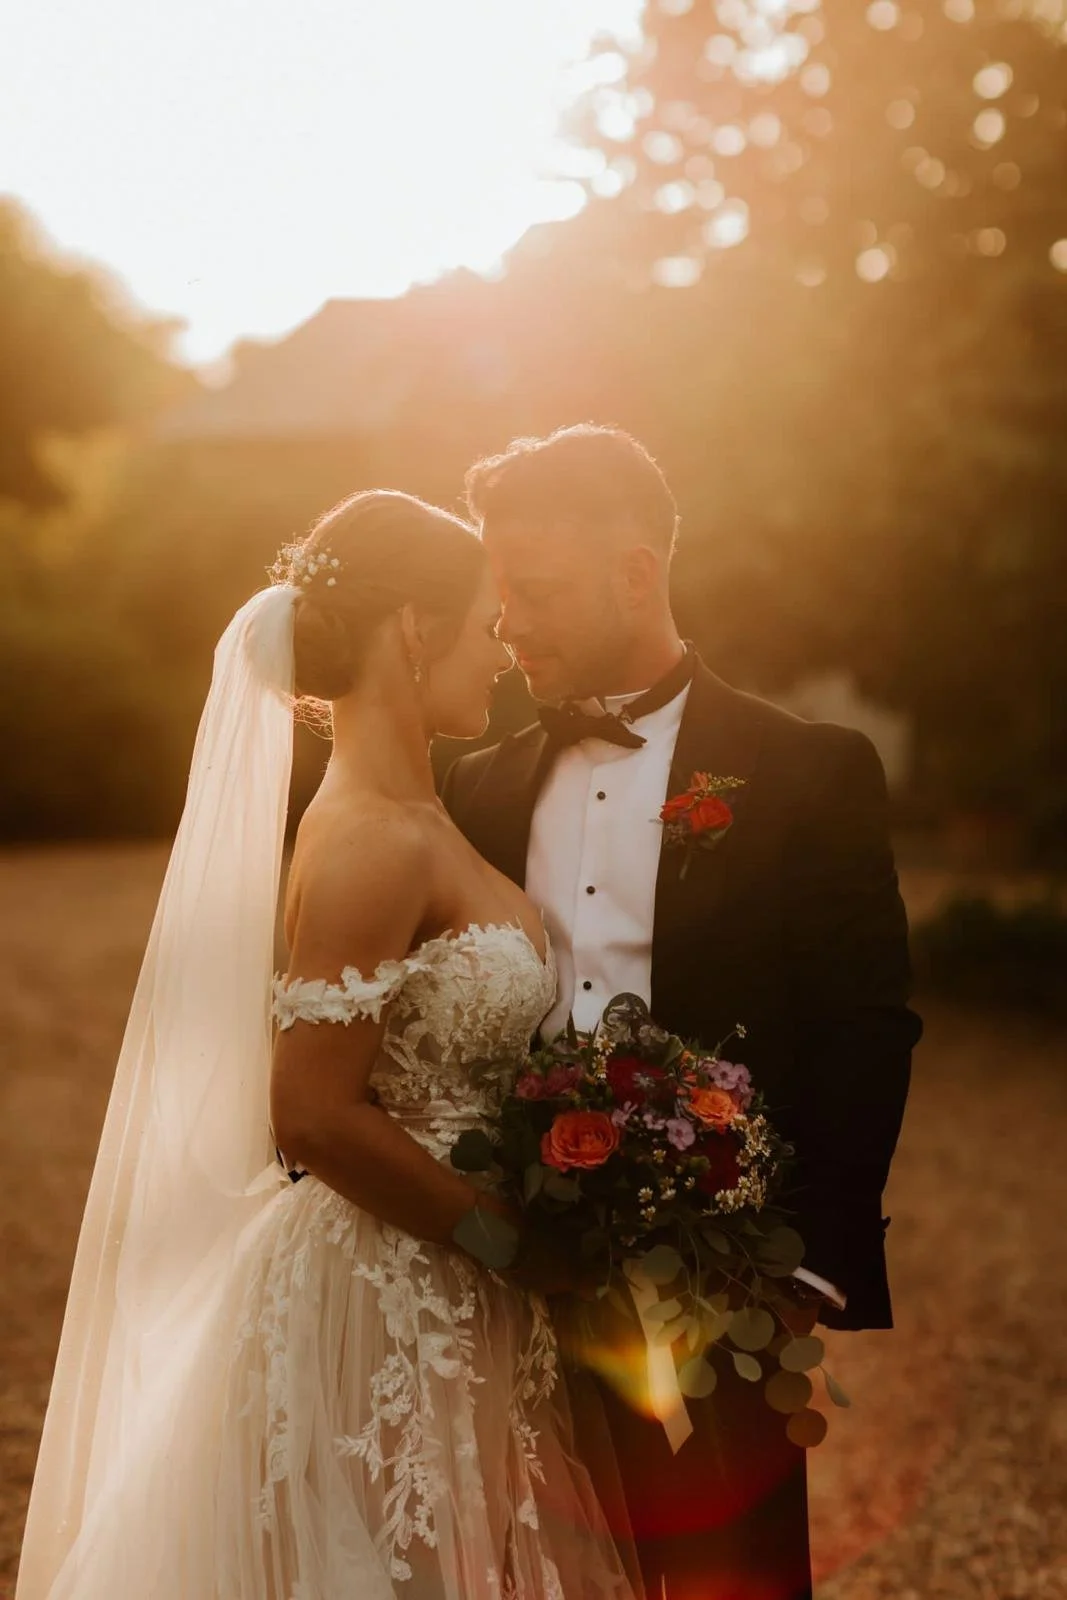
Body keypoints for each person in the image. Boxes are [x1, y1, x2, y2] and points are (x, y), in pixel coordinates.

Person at [16, 489, 638, 1600]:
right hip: (391, 1288)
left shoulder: (430, 820)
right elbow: (307, 1109)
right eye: (483, 626)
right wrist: (506, 1240)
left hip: (452, 1283)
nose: (498, 655)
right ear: (413, 627)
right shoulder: (367, 839)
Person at [441, 425, 923, 1600]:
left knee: (739, 1574)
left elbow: (864, 1023)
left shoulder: (807, 768)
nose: (508, 626)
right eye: (497, 597)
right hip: (520, 1268)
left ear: (634, 574)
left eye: (535, 592)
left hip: (727, 1273)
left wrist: (801, 1261)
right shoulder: (476, 786)